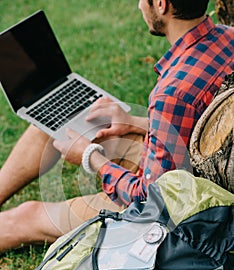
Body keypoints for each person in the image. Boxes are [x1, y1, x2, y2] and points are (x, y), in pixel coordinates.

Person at [0, 0, 233, 252]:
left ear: (161, 5)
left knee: (27, 215)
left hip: (177, 215)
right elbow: (209, 128)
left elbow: (151, 204)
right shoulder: (228, 37)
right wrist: (133, 122)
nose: (139, 6)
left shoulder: (172, 92)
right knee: (51, 128)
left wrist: (91, 157)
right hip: (196, 172)